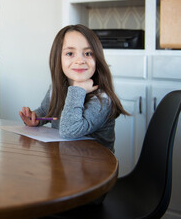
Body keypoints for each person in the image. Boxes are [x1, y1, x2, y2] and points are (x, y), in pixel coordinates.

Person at [19, 24, 128, 152]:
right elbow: (45, 110)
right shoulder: (57, 87)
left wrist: (78, 91)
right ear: (58, 59)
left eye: (88, 53)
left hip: (96, 167)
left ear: (97, 59)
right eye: (70, 53)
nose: (80, 60)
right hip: (65, 160)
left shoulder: (103, 100)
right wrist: (36, 118)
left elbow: (69, 130)